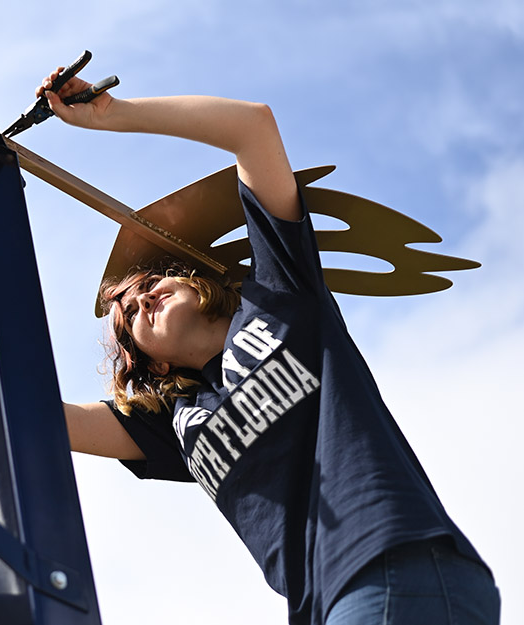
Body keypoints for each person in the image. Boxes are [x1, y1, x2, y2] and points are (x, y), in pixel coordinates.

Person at [36, 69, 501, 625]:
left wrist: (112, 115)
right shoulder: (174, 421)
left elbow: (251, 128)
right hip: (324, 606)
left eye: (151, 284)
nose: (141, 301)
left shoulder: (280, 294)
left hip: (390, 567)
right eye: (127, 315)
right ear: (151, 360)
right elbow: (35, 416)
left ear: (194, 281)